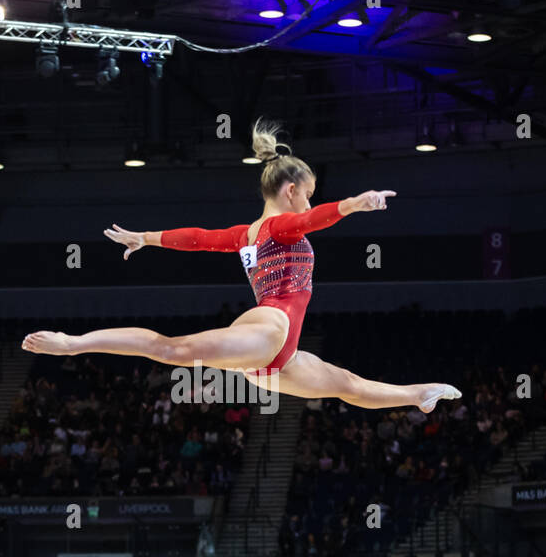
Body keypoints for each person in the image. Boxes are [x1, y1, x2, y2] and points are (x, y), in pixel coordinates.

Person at [23, 119, 462, 413]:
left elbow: (198, 239)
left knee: (345, 383)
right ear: (291, 191)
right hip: (269, 330)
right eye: (307, 192)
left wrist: (147, 239)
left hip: (274, 359)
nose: (308, 200)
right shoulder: (282, 227)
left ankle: (418, 394)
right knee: (172, 350)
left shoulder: (249, 233)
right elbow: (312, 219)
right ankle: (71, 343)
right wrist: (354, 205)